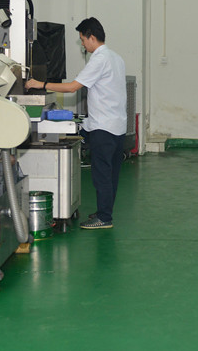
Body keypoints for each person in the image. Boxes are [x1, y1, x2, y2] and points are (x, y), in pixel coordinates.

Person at [26, 18, 126, 230]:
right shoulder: (116, 58)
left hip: (104, 128)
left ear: (92, 37)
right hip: (117, 127)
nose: (82, 44)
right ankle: (104, 211)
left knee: (101, 176)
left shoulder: (99, 60)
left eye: (83, 39)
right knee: (111, 176)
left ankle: (104, 218)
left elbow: (72, 87)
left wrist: (40, 84)